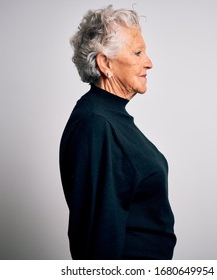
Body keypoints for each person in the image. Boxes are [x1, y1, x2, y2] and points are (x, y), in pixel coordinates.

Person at [59, 5, 176, 260]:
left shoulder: (110, 118)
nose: (149, 63)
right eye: (137, 52)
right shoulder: (95, 124)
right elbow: (95, 240)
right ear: (105, 63)